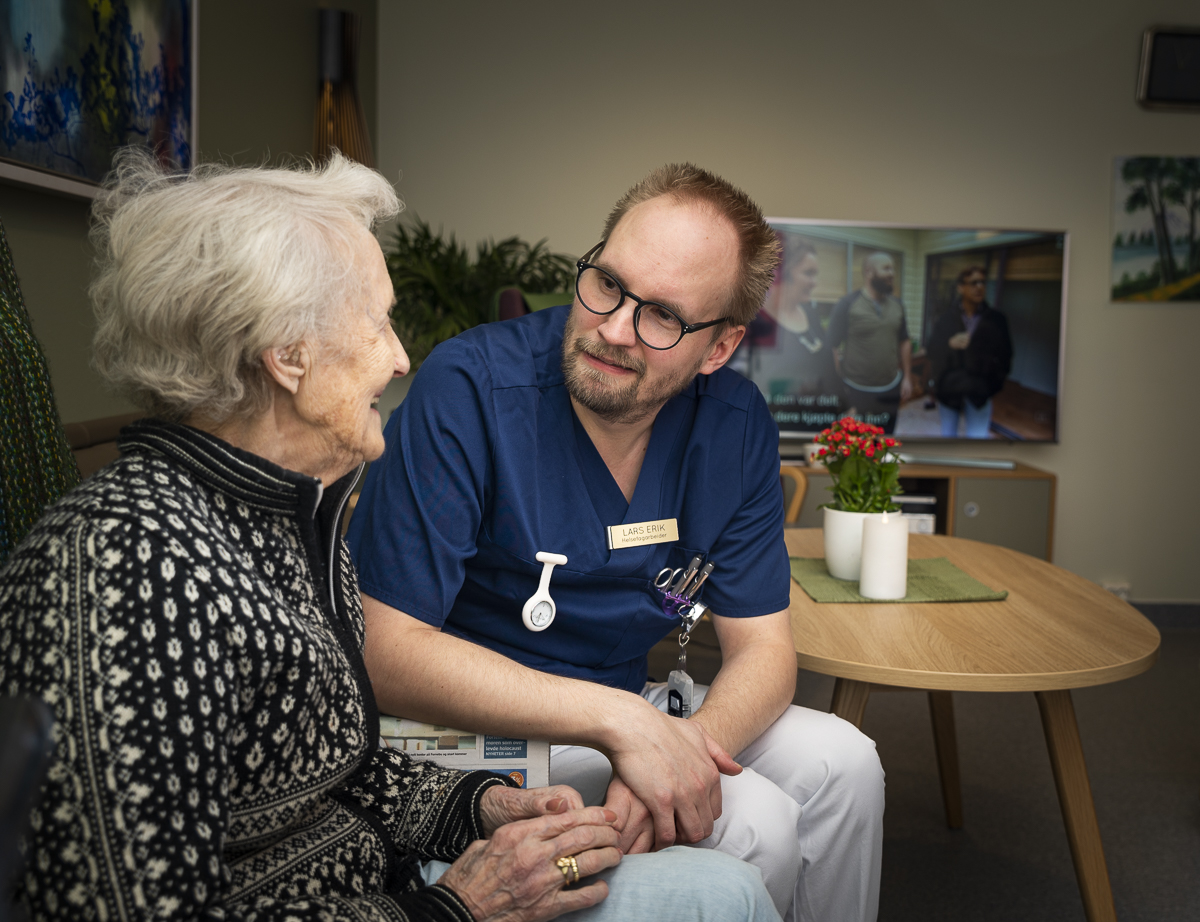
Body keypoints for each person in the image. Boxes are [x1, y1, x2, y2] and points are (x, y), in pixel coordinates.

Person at [0, 151, 782, 922]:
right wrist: (452, 908)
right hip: (394, 899)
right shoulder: (128, 573)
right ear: (288, 356)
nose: (402, 356)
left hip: (384, 868)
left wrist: (474, 811)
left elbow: (325, 762)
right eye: (376, 323)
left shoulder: (288, 518)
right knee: (736, 889)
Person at [348, 163, 885, 922]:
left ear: (721, 347)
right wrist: (628, 727)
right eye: (606, 283)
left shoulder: (731, 425)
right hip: (479, 722)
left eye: (663, 315)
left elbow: (764, 650)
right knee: (758, 822)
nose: (613, 328)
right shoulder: (470, 390)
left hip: (628, 700)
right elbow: (386, 650)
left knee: (845, 763)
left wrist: (681, 748)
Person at [729, 240, 842, 431]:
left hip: (820, 426)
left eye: (816, 274)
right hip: (771, 428)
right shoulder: (755, 320)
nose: (814, 282)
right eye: (808, 273)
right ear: (785, 273)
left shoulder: (811, 313)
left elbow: (828, 365)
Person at [827, 252, 914, 434]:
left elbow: (904, 341)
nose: (892, 274)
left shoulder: (898, 305)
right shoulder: (847, 304)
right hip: (856, 390)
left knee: (884, 439)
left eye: (893, 269)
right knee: (856, 444)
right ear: (868, 272)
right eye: (886, 268)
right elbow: (832, 346)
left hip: (890, 388)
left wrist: (906, 377)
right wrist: (839, 386)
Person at [925, 265, 1013, 438]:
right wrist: (948, 344)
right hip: (950, 390)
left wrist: (991, 386)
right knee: (948, 437)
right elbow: (931, 350)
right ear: (961, 287)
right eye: (973, 283)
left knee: (978, 439)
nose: (979, 287)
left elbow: (1006, 356)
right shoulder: (945, 318)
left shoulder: (997, 320)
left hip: (979, 393)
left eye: (982, 282)